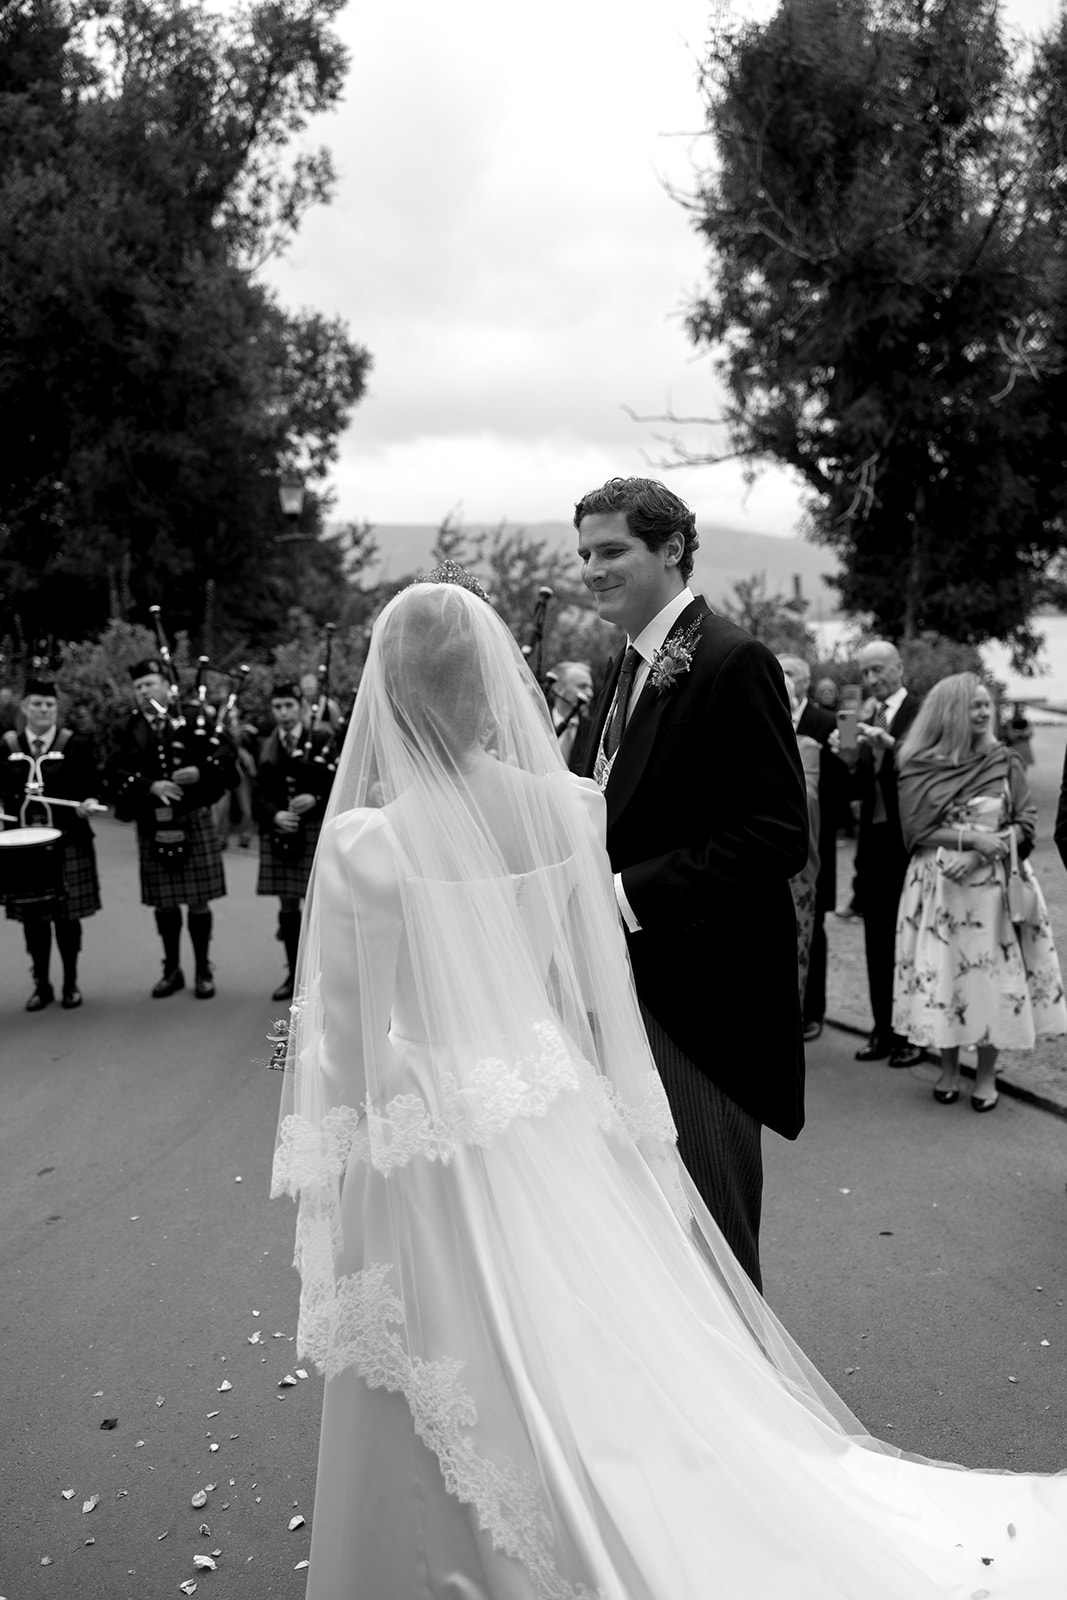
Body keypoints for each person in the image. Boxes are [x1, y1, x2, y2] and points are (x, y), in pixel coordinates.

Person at [272, 575, 1067, 1600]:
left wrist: (343, 1187)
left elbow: (344, 1041)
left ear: (390, 696)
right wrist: (608, 1114)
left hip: (431, 1132)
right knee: (587, 1340)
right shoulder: (566, 808)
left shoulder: (365, 847)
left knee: (453, 1359)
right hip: (545, 1102)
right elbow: (580, 981)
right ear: (488, 690)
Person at [575, 477, 808, 1289]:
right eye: (584, 555)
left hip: (705, 1004)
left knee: (711, 1231)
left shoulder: (729, 658)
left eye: (612, 551)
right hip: (627, 990)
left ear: (671, 549)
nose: (592, 570)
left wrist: (622, 895)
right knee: (649, 1228)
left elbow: (775, 834)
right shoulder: (626, 663)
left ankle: (743, 1406)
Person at [893, 673, 1066, 1110]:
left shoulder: (1005, 761)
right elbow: (915, 830)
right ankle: (949, 1069)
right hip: (939, 888)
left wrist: (990, 849)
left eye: (988, 704)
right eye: (976, 705)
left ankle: (986, 1074)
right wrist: (969, 842)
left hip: (995, 888)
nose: (986, 712)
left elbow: (1026, 820)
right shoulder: (918, 762)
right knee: (946, 975)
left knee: (992, 977)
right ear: (950, 712)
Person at [107, 659, 237, 999]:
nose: (144, 691)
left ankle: (202, 968)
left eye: (150, 683)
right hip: (154, 819)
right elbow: (114, 768)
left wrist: (200, 772)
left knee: (198, 900)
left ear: (167, 686)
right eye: (138, 687)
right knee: (164, 904)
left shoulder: (194, 715)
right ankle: (172, 969)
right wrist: (150, 786)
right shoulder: (127, 726)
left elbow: (226, 752)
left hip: (192, 815)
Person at [837, 640, 923, 1067]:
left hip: (910, 841)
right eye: (865, 673)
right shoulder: (862, 714)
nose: (871, 680)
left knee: (912, 939)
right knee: (876, 940)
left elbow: (929, 767)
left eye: (878, 670)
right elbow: (854, 791)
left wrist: (889, 743)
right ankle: (882, 1029)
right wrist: (849, 759)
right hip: (872, 844)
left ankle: (915, 1033)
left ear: (899, 667)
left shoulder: (921, 712)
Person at [0, 679, 102, 1009]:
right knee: (33, 919)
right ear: (24, 708)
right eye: (37, 704)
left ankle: (71, 982)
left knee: (66, 917)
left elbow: (93, 785)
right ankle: (41, 985)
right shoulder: (6, 745)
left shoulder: (76, 744)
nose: (43, 710)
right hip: (22, 848)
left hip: (67, 841)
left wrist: (89, 802)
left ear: (56, 710)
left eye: (49, 705)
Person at [254, 681, 337, 1001]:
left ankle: (323, 975)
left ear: (301, 706)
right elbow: (258, 792)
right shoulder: (267, 744)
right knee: (288, 906)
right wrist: (274, 815)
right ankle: (293, 973)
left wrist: (314, 798)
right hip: (281, 831)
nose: (284, 713)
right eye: (278, 707)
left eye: (289, 706)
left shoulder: (320, 739)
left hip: (314, 830)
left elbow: (336, 783)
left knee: (319, 906)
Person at [777, 653, 841, 1040]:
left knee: (809, 934)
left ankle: (810, 1013)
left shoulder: (825, 726)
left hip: (812, 845)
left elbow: (840, 789)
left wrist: (851, 756)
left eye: (792, 673)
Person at [546, 658, 594, 771]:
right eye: (582, 686)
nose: (590, 694)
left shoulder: (594, 729)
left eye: (590, 687)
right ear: (558, 689)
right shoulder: (537, 723)